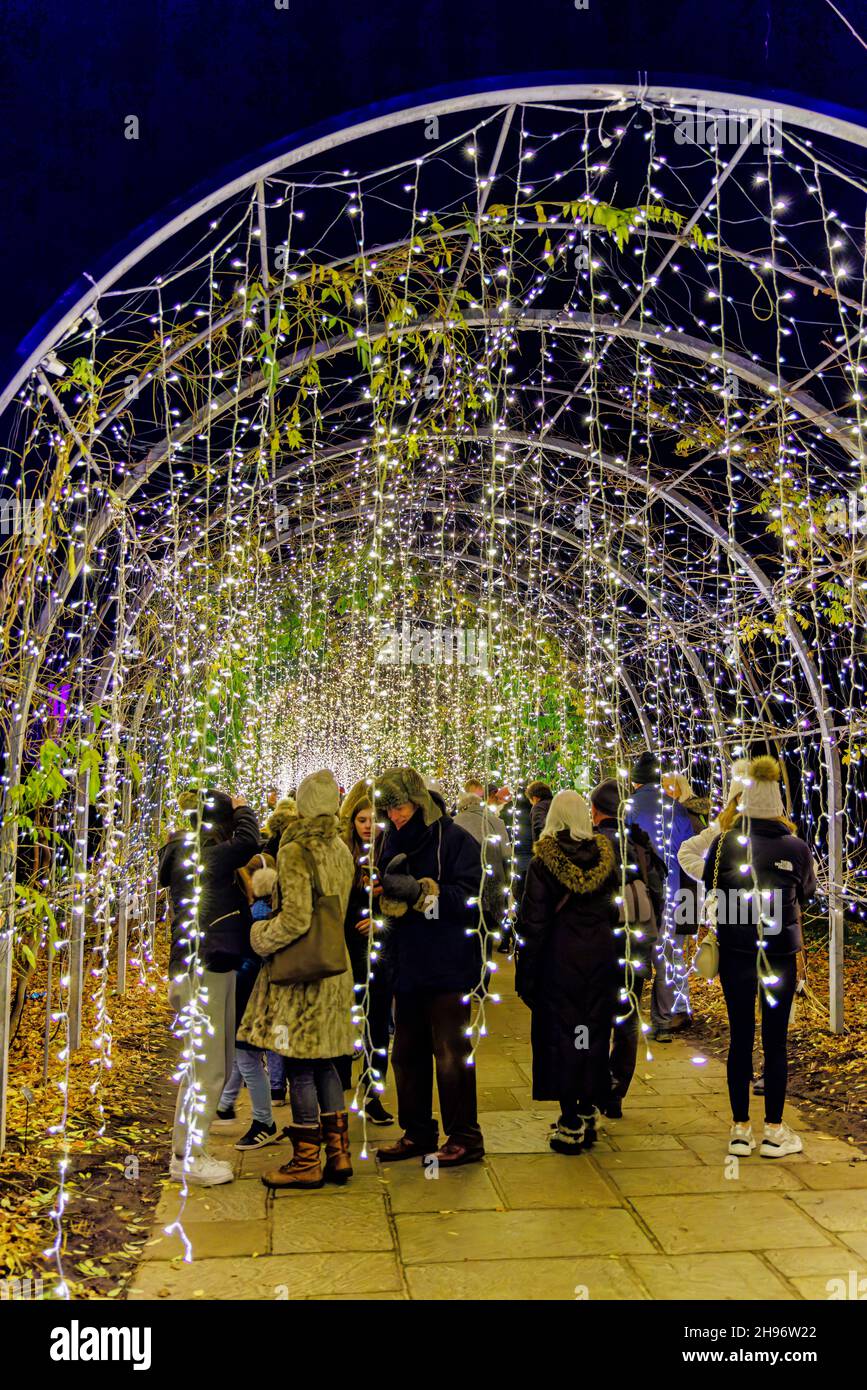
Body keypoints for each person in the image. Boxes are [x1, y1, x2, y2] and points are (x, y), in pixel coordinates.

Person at [237, 770, 357, 1191]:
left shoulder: (295, 848)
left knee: (300, 1066)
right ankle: (338, 1152)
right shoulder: (342, 848)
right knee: (326, 1061)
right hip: (334, 968)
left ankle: (307, 1160)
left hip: (301, 976)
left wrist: (258, 937)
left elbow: (296, 919)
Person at [699, 756, 816, 1159]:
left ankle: (738, 1129)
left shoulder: (725, 843)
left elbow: (706, 886)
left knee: (740, 1038)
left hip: (735, 951)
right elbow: (807, 892)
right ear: (778, 801)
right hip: (779, 953)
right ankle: (774, 1130)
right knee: (775, 1041)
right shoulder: (796, 847)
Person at [373, 766, 485, 1167]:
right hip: (406, 964)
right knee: (406, 1053)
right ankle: (417, 1131)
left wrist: (421, 895)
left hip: (448, 964)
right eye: (389, 810)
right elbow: (387, 893)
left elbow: (470, 902)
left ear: (417, 802)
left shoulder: (456, 840)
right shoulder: (389, 839)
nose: (395, 816)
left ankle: (465, 1138)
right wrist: (381, 896)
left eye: (399, 807)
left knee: (451, 1053)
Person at [159, 788, 260, 1186]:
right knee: (209, 1070)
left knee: (204, 1066)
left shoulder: (193, 853)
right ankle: (190, 1158)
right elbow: (251, 841)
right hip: (205, 969)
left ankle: (188, 1150)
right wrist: (243, 810)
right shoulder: (205, 855)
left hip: (205, 968)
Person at [515, 790, 619, 1153]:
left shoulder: (543, 862)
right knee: (590, 1032)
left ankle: (570, 1120)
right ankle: (589, 1106)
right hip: (600, 958)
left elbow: (534, 921)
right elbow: (614, 911)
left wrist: (526, 970)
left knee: (562, 1037)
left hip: (560, 961)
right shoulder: (606, 857)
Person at [590, 779, 666, 1118]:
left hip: (601, 944)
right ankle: (616, 1090)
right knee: (628, 1016)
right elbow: (657, 891)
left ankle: (594, 1085)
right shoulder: (639, 842)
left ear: (595, 810)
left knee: (593, 1017)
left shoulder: (592, 845)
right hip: (636, 941)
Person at [213, 853, 283, 1149]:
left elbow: (249, 961)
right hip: (261, 996)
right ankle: (227, 1103)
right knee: (246, 1056)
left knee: (246, 1057)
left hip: (252, 997)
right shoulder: (273, 911)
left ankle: (264, 1120)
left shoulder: (254, 915)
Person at [627, 751, 695, 1041]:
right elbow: (688, 850)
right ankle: (663, 1022)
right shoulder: (676, 809)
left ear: (634, 782)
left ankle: (628, 1018)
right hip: (674, 891)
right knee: (667, 957)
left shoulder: (627, 808)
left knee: (633, 955)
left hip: (637, 894)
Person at [337, 779, 395, 1124]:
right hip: (345, 952)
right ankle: (339, 1091)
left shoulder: (387, 855)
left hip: (379, 953)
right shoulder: (343, 856)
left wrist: (380, 921)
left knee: (377, 1027)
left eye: (374, 819)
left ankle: (373, 1094)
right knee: (345, 1023)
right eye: (362, 820)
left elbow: (400, 902)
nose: (369, 826)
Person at [453, 789, 511, 948]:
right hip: (492, 888)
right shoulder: (497, 822)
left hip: (463, 890)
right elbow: (507, 855)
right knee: (486, 937)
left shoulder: (454, 822)